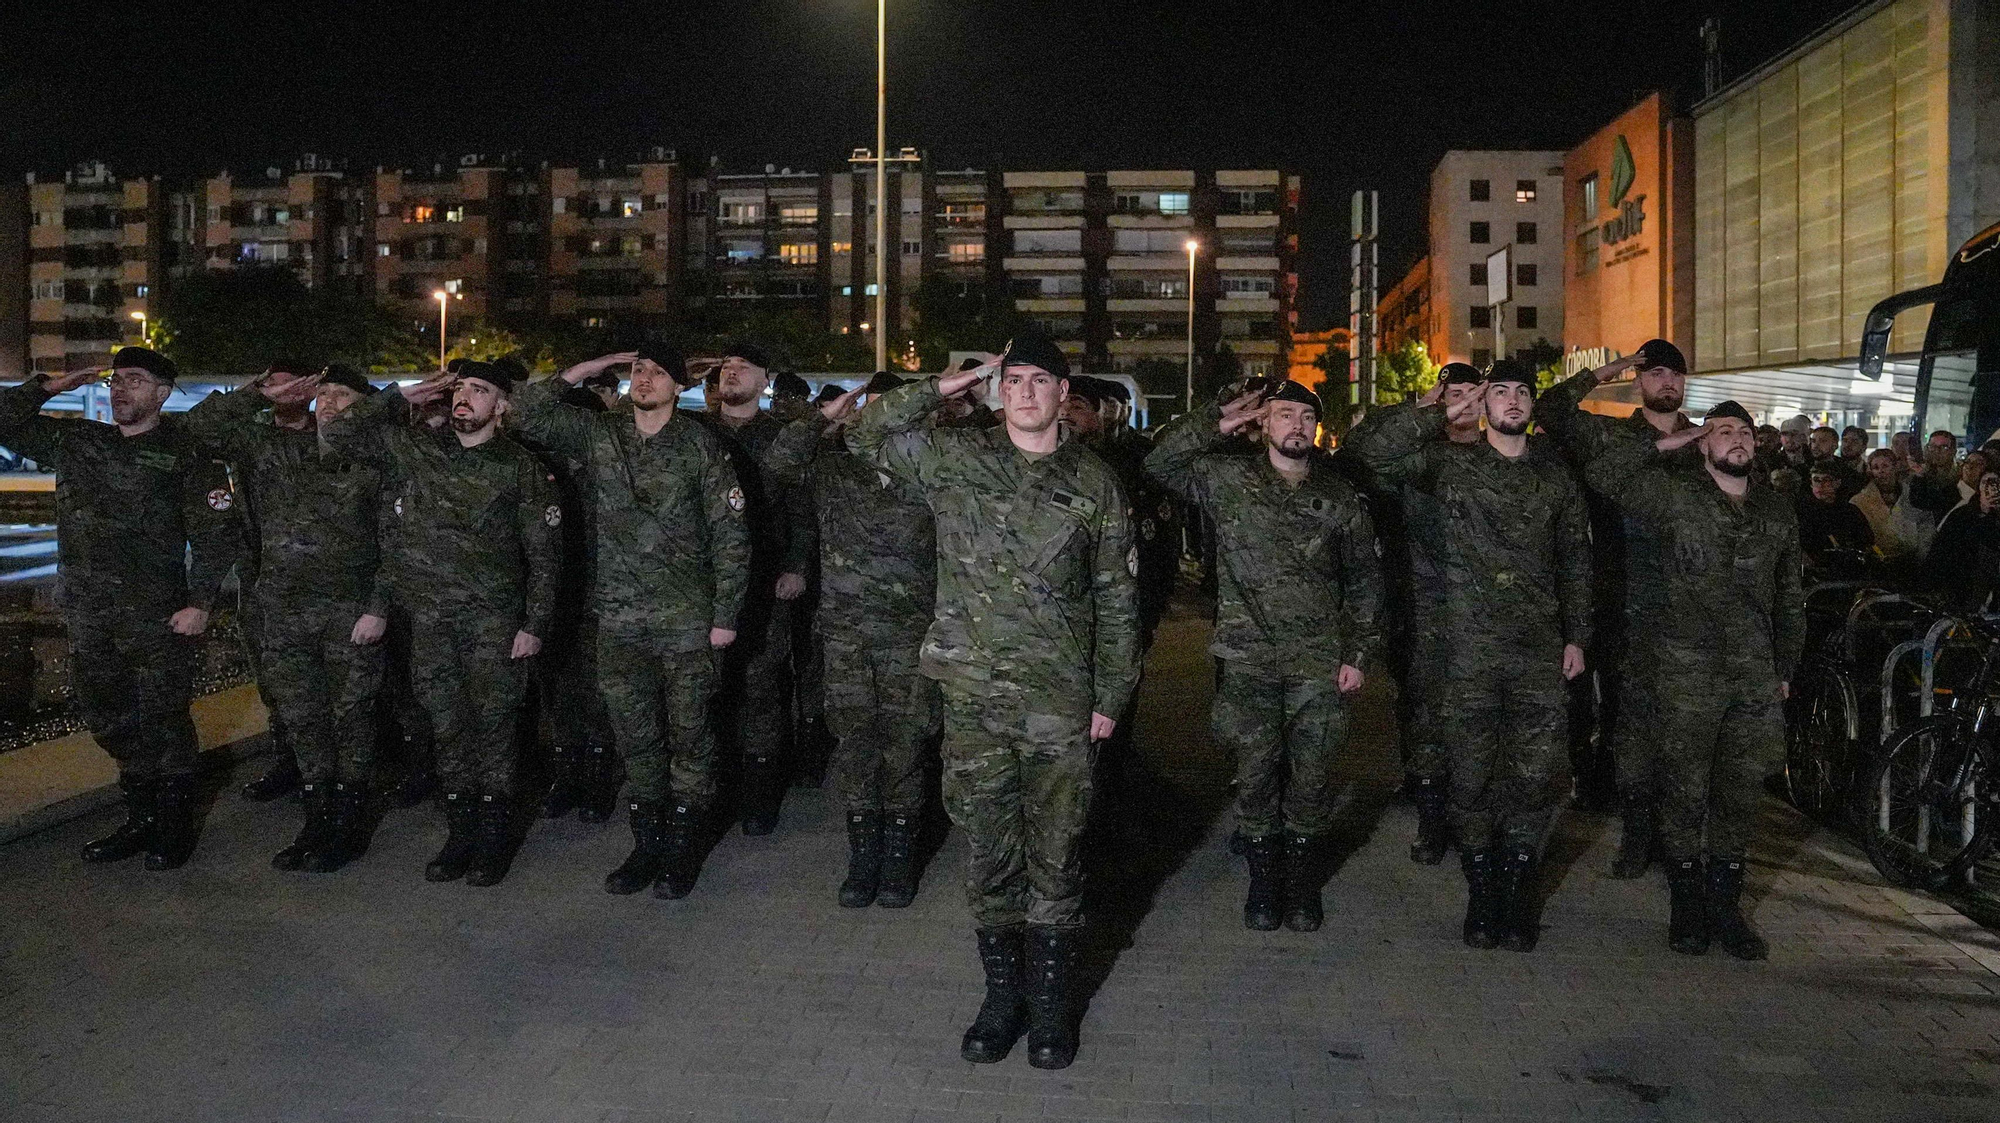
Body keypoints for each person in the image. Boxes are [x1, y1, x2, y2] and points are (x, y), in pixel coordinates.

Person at [848, 332, 1140, 1070]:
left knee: (1058, 854)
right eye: (1014, 380)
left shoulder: (1096, 482)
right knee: (986, 854)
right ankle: (1000, 998)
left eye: (1041, 381)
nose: (1025, 392)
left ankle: (1049, 1009)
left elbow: (1117, 598)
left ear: (1063, 394)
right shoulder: (957, 459)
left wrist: (1111, 695)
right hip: (974, 700)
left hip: (1059, 702)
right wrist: (955, 379)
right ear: (998, 388)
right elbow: (867, 432)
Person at [1345, 359, 1590, 954]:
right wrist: (1429, 411)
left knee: (1534, 779)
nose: (1511, 400)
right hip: (1465, 649)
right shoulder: (1447, 466)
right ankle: (1482, 896)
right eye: (1498, 391)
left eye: (1521, 392)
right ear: (1482, 404)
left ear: (1532, 407)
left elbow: (1575, 562)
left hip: (1536, 652)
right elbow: (1364, 457)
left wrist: (1578, 636)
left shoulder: (1556, 477)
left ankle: (1517, 895)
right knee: (1473, 777)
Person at [511, 346, 749, 899]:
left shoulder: (701, 446)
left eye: (657, 372)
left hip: (687, 622)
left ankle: (683, 851)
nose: (644, 379)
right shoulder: (602, 435)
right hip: (618, 622)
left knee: (690, 738)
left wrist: (725, 618)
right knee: (635, 739)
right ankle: (647, 845)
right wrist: (584, 367)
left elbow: (731, 537)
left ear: (678, 384)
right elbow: (524, 415)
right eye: (638, 370)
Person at [1147, 380, 1382, 932]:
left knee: (1313, 775)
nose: (1295, 426)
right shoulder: (1228, 479)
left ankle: (1300, 883)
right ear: (1264, 425)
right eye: (1283, 415)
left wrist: (1360, 653)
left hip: (1318, 661)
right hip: (1248, 658)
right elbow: (1160, 462)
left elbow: (1366, 581)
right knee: (1254, 774)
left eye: (1305, 416)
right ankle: (1262, 878)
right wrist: (1216, 420)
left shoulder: (1341, 496)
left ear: (1316, 428)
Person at [1575, 401, 1803, 960]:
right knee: (1684, 790)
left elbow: (1790, 598)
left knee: (1740, 794)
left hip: (1752, 676)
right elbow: (1608, 473)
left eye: (1746, 432)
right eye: (1723, 431)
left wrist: (1785, 670)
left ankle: (1726, 910)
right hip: (1686, 671)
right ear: (1703, 443)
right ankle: (1686, 906)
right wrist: (1674, 440)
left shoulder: (1776, 511)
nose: (1738, 440)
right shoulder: (1677, 497)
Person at [321, 360, 560, 888]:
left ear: (501, 406)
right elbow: (338, 433)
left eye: (479, 390)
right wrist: (398, 397)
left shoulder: (519, 467)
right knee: (447, 730)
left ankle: (494, 839)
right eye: (459, 389)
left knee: (494, 730)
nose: (464, 398)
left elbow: (544, 555)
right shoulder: (417, 452)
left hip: (493, 625)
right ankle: (461, 834)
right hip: (430, 624)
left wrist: (534, 624)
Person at [0, 348, 239, 869]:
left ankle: (174, 826)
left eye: (136, 380)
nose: (121, 388)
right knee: (108, 718)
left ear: (162, 392)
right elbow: (4, 421)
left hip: (156, 614)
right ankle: (140, 818)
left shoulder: (184, 452)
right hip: (88, 612)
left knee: (164, 718)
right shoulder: (81, 441)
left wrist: (201, 604)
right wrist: (47, 387)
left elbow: (216, 536)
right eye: (116, 380)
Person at [183, 363, 390, 872]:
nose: (329, 404)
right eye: (322, 394)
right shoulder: (271, 448)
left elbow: (398, 542)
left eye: (343, 396)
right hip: (281, 613)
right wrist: (258, 391)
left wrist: (379, 607)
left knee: (352, 719)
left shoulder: (382, 459)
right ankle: (317, 820)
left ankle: (348, 824)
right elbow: (197, 430)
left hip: (348, 612)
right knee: (304, 720)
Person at [765, 371, 941, 909]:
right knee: (855, 746)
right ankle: (863, 855)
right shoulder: (833, 470)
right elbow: (776, 465)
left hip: (910, 636)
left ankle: (899, 858)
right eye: (874, 410)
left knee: (906, 746)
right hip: (845, 637)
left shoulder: (934, 476)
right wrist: (825, 416)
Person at [1534, 341, 1699, 881]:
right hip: (1621, 595)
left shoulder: (1706, 440)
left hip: (1690, 603)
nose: (1665, 382)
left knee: (1682, 725)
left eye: (1674, 373)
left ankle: (1674, 836)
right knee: (1628, 721)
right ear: (1638, 380)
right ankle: (1634, 829)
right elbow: (1552, 409)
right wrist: (1611, 368)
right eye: (1653, 373)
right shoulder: (1612, 436)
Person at [1345, 362, 1483, 866]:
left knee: (1478, 721)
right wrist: (1420, 409)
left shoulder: (1505, 457)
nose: (1462, 404)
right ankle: (1431, 819)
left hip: (1487, 617)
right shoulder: (1418, 459)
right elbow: (1360, 453)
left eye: (1472, 394)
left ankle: (1471, 817)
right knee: (1424, 716)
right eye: (1453, 395)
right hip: (1424, 609)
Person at [695, 342, 815, 835]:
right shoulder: (697, 432)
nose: (732, 372)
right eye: (725, 366)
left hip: (765, 577)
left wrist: (796, 566)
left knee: (762, 686)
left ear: (765, 381)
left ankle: (761, 792)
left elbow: (802, 506)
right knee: (707, 688)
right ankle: (717, 787)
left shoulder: (781, 435)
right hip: (703, 579)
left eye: (744, 366)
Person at [514, 365, 620, 825]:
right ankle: (567, 772)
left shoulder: (609, 467)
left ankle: (599, 778)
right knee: (557, 689)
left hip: (599, 594)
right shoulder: (536, 467)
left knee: (596, 691)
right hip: (551, 596)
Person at [231, 361, 319, 804]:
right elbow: (201, 430)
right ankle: (287, 761)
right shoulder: (251, 436)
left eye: (292, 387)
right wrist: (254, 394)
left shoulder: (332, 435)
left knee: (323, 685)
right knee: (273, 681)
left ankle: (323, 773)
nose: (284, 395)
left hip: (322, 585)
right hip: (264, 582)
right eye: (273, 389)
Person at [1924, 468, 2000, 610]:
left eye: (1995, 484)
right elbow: (1944, 547)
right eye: (1985, 483)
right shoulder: (1962, 515)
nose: (1990, 488)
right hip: (1965, 585)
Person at [1851, 448, 1935, 568]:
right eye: (1876, 467)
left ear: (1895, 467)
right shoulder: (1859, 501)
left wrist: (1922, 558)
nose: (1881, 471)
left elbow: (1926, 526)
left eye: (1885, 466)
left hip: (1912, 563)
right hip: (1875, 565)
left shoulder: (1914, 495)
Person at [1797, 463, 1875, 572]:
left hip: (1849, 569)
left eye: (1826, 480)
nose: (1820, 485)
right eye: (1816, 480)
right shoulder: (1802, 511)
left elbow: (1866, 540)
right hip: (1815, 571)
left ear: (1837, 483)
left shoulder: (1850, 511)